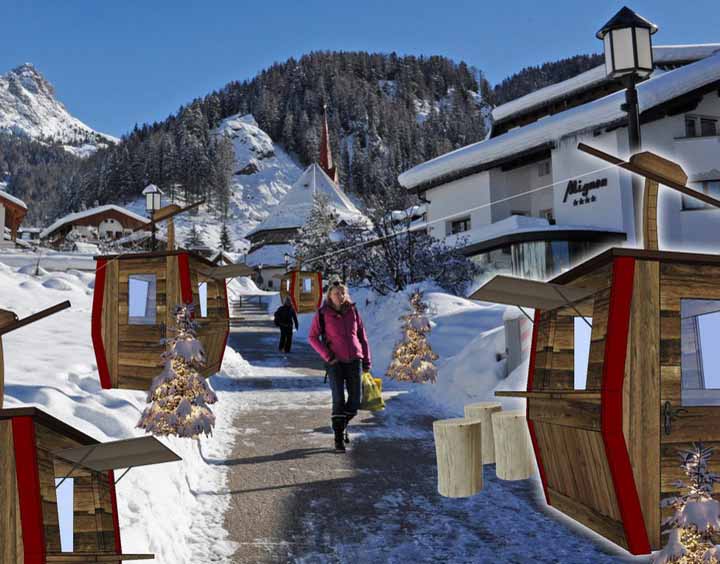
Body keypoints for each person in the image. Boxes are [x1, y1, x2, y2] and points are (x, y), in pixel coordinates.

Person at [308, 283, 371, 452]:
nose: (340, 296)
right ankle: (338, 438)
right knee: (338, 399)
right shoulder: (323, 314)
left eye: (342, 293)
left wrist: (366, 359)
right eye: (336, 293)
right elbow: (312, 337)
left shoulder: (353, 311)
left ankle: (340, 424)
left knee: (355, 401)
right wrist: (328, 356)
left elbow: (362, 337)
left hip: (354, 360)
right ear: (329, 296)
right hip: (334, 362)